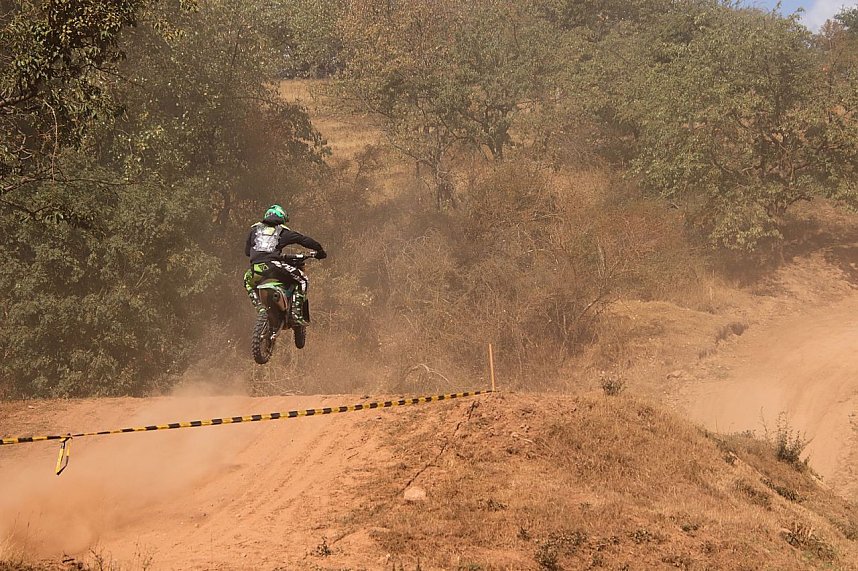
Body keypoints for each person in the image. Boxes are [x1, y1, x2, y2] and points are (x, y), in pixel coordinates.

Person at [243, 204, 327, 324]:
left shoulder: (254, 231)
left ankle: (260, 309)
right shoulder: (282, 232)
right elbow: (303, 240)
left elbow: (247, 252)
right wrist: (320, 250)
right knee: (303, 280)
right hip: (274, 267)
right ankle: (296, 315)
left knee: (247, 281)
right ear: (281, 217)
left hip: (256, 270)